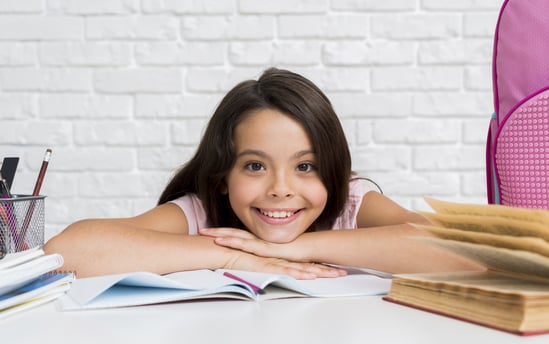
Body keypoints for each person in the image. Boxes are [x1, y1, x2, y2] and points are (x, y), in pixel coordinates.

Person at [44, 68, 483, 278]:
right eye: (254, 166)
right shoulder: (203, 213)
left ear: (332, 174)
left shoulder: (350, 202)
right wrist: (236, 256)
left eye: (305, 166)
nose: (280, 189)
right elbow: (67, 251)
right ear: (222, 176)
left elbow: (470, 250)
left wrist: (300, 248)